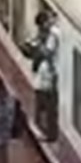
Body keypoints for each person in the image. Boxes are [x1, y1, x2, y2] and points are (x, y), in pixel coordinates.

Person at [24, 9, 59, 142]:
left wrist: (36, 47)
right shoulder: (47, 35)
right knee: (43, 105)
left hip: (47, 77)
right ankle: (43, 129)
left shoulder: (52, 35)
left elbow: (47, 53)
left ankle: (46, 132)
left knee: (45, 105)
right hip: (44, 76)